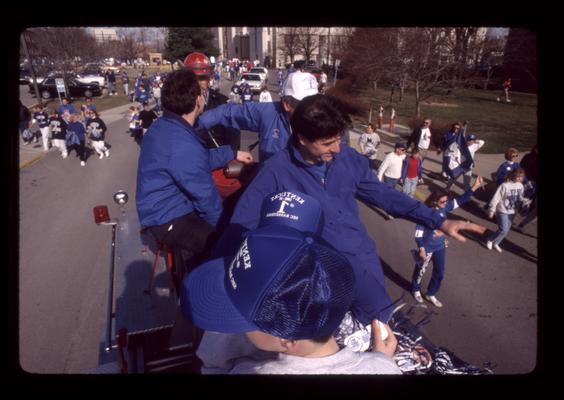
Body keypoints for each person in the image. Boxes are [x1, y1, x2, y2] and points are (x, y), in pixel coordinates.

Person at [212, 94, 486, 349]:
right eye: (328, 143)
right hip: (317, 281)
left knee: (388, 337)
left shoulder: (347, 158)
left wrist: (436, 219)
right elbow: (241, 230)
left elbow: (384, 195)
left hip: (362, 264)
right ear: (303, 139)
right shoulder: (275, 173)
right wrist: (216, 284)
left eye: (339, 138)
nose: (338, 148)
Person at [183, 190, 401, 375]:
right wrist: (381, 361)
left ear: (286, 340)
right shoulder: (383, 369)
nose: (238, 331)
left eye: (243, 321)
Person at [135, 68, 253, 286]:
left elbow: (195, 161)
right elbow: (206, 200)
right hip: (167, 217)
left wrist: (231, 153)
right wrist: (224, 233)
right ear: (198, 100)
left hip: (163, 206)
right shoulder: (182, 143)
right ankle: (203, 296)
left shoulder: (166, 127)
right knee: (231, 244)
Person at [196, 70, 319, 164]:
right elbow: (226, 112)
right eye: (307, 104)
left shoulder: (326, 122)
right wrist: (190, 127)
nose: (315, 110)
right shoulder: (268, 112)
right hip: (271, 186)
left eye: (317, 102)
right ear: (287, 104)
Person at [411, 176, 485, 307]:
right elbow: (418, 233)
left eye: (446, 201)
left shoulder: (444, 208)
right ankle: (415, 289)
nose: (445, 203)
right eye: (442, 202)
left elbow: (461, 200)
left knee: (439, 272)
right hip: (427, 248)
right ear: (434, 201)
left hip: (440, 246)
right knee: (421, 270)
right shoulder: (425, 212)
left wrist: (474, 187)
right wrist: (421, 248)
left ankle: (431, 293)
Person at [185, 52, 241, 153]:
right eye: (192, 79)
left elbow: (234, 138)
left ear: (209, 78)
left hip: (218, 163)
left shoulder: (222, 103)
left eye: (202, 78)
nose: (197, 83)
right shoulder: (177, 105)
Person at [486, 168, 530, 253]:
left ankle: (496, 243)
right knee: (503, 229)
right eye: (518, 177)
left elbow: (519, 197)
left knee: (506, 230)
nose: (520, 179)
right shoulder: (505, 185)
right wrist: (492, 210)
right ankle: (490, 239)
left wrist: (525, 200)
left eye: (522, 177)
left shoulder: (520, 186)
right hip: (502, 210)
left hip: (513, 211)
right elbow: (496, 198)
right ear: (514, 176)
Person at [516, 144, 538, 231]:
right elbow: (521, 167)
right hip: (526, 180)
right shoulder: (528, 156)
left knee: (529, 203)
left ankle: (522, 223)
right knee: (522, 198)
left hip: (534, 182)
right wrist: (524, 179)